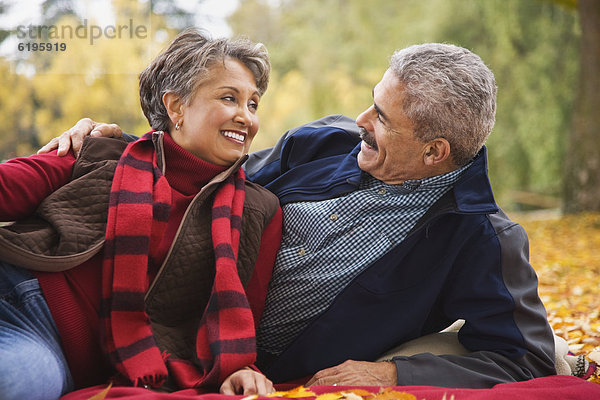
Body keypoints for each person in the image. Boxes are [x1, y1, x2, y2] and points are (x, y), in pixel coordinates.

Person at [40, 43, 557, 389]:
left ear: (433, 152)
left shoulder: (484, 239)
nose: (360, 121)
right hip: (163, 320)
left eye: (381, 117)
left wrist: (391, 373)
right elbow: (204, 177)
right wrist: (113, 144)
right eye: (371, 102)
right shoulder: (322, 142)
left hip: (248, 373)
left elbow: (525, 357)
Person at [0, 28, 283, 399]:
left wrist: (242, 368)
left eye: (253, 104)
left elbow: (242, 314)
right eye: (229, 98)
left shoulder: (259, 211)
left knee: (21, 381)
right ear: (176, 107)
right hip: (13, 284)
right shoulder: (102, 151)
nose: (245, 117)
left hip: (49, 346)